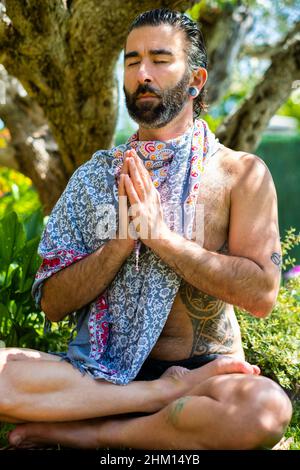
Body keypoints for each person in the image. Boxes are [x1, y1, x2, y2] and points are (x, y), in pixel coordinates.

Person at [1, 9, 292, 450]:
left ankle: (95, 435)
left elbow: (262, 296)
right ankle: (155, 399)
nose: (143, 73)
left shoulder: (239, 175)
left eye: (159, 59)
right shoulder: (96, 179)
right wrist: (119, 244)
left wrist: (161, 238)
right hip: (100, 376)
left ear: (195, 80)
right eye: (132, 60)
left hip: (202, 376)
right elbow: (54, 305)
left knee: (265, 409)